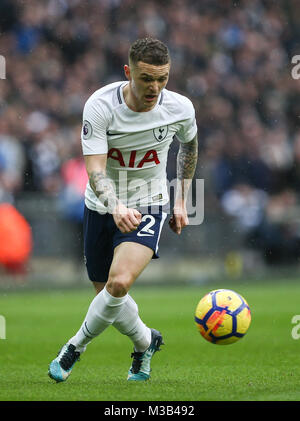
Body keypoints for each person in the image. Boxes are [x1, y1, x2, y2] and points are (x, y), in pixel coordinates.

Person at [48, 38, 198, 382]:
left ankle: (74, 347)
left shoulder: (180, 108)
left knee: (118, 284)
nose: (155, 87)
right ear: (128, 72)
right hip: (100, 205)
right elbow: (96, 168)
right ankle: (146, 342)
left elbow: (189, 145)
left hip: (149, 202)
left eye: (162, 79)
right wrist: (114, 206)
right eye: (146, 78)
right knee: (107, 298)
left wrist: (180, 200)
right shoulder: (100, 106)